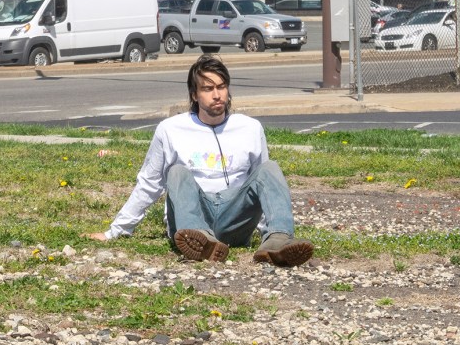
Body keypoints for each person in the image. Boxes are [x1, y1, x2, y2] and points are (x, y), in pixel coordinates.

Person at [86, 55, 313, 266]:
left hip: (234, 217)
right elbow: (149, 183)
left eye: (221, 87)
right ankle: (200, 241)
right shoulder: (170, 129)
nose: (217, 95)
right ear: (194, 95)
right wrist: (115, 231)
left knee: (269, 168)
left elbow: (262, 186)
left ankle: (278, 240)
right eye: (208, 88)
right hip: (191, 218)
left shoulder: (250, 128)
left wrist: (264, 229)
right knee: (177, 172)